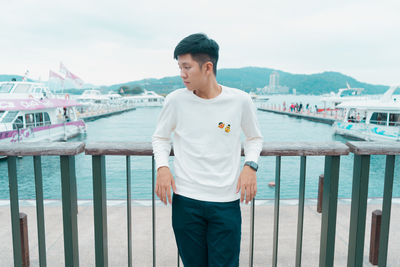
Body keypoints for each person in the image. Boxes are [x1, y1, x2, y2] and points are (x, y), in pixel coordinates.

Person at [152, 33, 263, 267]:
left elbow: (253, 138)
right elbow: (161, 138)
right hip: (186, 200)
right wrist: (162, 167)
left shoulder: (240, 101)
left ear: (207, 67)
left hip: (226, 201)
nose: (182, 74)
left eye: (187, 67)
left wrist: (250, 166)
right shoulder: (175, 101)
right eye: (179, 67)